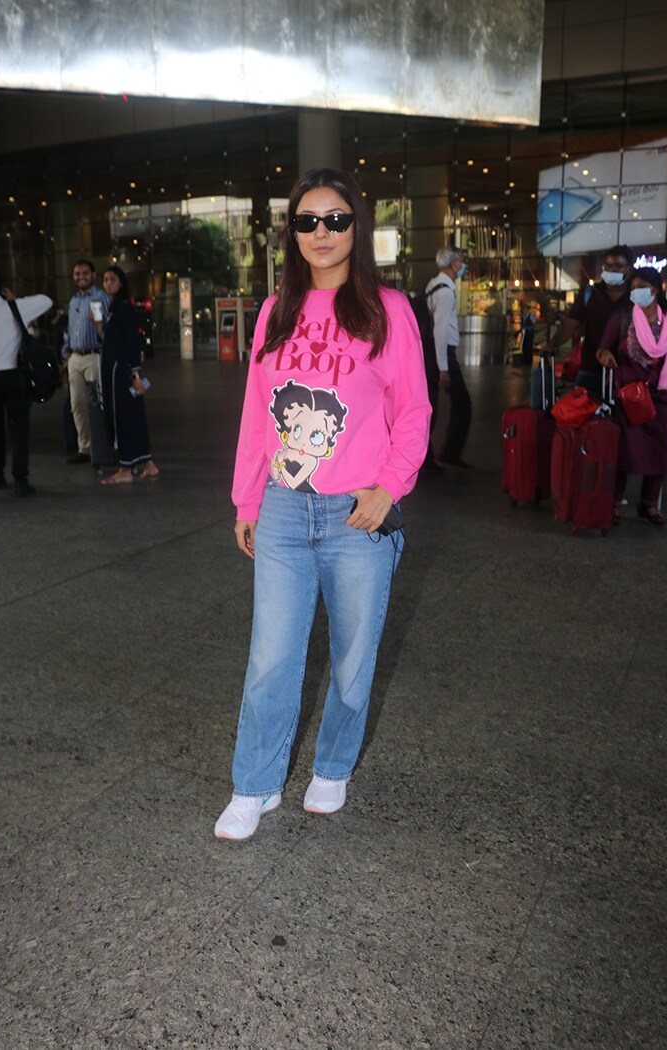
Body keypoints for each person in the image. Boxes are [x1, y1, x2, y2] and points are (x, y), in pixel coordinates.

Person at [214, 168, 431, 840]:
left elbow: (415, 411)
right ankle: (254, 784)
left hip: (354, 515)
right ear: (292, 234)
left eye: (336, 220)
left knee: (351, 658)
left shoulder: (387, 311)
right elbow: (256, 414)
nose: (322, 233)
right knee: (271, 656)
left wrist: (389, 489)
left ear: (357, 228)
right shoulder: (277, 313)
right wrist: (247, 497)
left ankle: (332, 767)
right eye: (308, 222)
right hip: (283, 508)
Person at [596, 266, 667, 526]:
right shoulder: (622, 317)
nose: (637, 292)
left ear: (656, 289)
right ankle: (614, 502)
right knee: (625, 450)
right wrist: (606, 357)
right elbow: (602, 349)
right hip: (628, 396)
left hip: (661, 397)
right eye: (634, 287)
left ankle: (648, 503)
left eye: (642, 287)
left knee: (661, 450)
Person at [0, 266, 52, 496]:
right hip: (14, 375)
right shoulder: (11, 306)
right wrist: (14, 299)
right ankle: (20, 480)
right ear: (0, 285)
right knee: (19, 428)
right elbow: (46, 300)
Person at [93, 266, 158, 484]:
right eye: (105, 280)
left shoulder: (124, 308)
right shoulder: (115, 309)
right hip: (117, 370)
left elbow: (131, 341)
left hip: (121, 374)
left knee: (124, 416)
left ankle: (125, 468)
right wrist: (99, 326)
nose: (108, 283)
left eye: (112, 279)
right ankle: (148, 463)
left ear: (121, 282)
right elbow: (111, 341)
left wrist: (134, 373)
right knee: (134, 415)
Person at [543, 245, 633, 394]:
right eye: (608, 265)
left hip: (626, 372)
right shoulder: (590, 294)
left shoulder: (635, 296)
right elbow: (570, 325)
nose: (612, 270)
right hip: (591, 368)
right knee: (582, 412)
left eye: (618, 266)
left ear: (629, 269)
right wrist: (552, 345)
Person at [426, 246, 473, 468]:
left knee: (433, 405)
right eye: (461, 261)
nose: (463, 266)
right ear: (453, 263)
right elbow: (440, 331)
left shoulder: (434, 284)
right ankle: (447, 453)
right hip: (443, 355)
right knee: (463, 403)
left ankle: (434, 455)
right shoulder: (444, 292)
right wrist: (443, 367)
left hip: (435, 354)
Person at [64, 260, 110, 464]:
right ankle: (85, 448)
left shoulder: (100, 297)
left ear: (93, 274)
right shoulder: (73, 300)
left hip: (94, 355)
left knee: (97, 403)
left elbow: (105, 326)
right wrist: (66, 353)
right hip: (75, 357)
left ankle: (102, 447)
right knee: (77, 404)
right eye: (76, 273)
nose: (80, 277)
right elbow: (70, 328)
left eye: (84, 273)